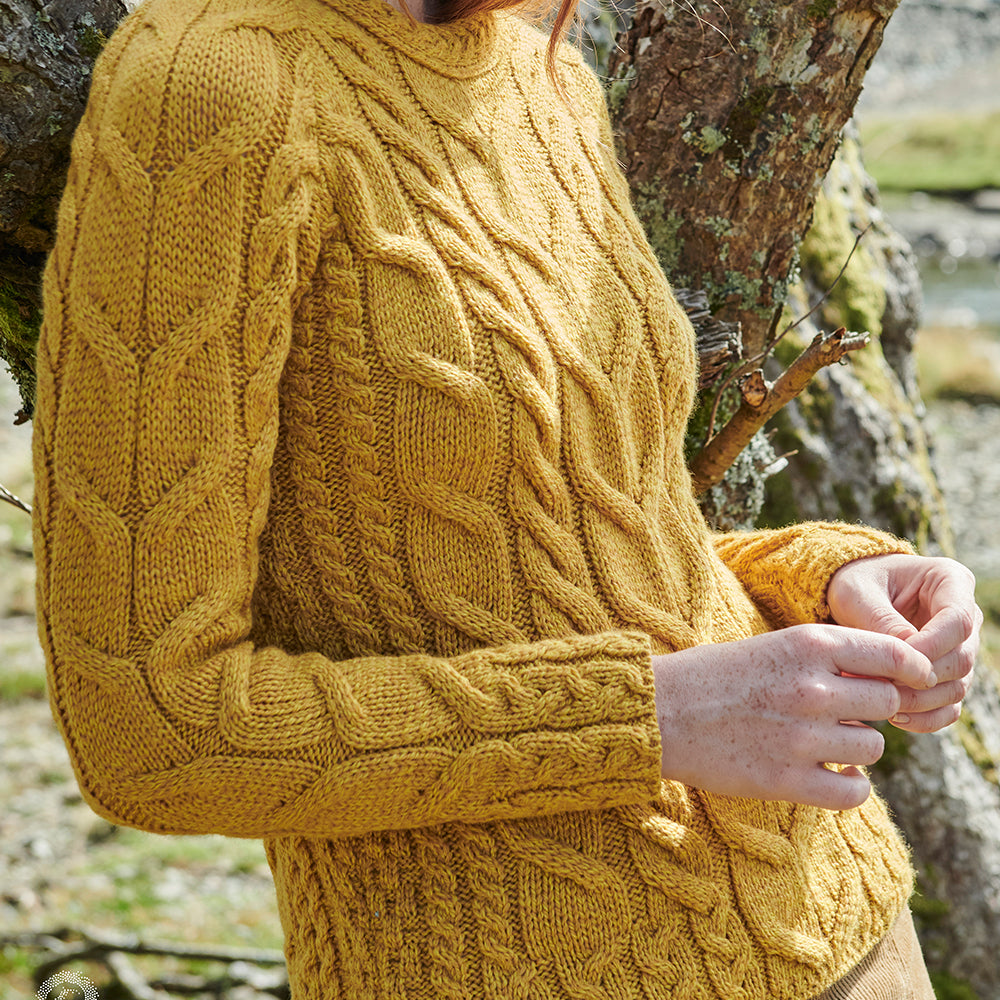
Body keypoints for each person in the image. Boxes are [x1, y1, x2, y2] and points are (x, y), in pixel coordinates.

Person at [31, 0, 981, 995]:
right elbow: (151, 727)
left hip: (846, 920)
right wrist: (645, 715)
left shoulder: (545, 75)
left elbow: (590, 537)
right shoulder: (205, 90)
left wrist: (821, 579)